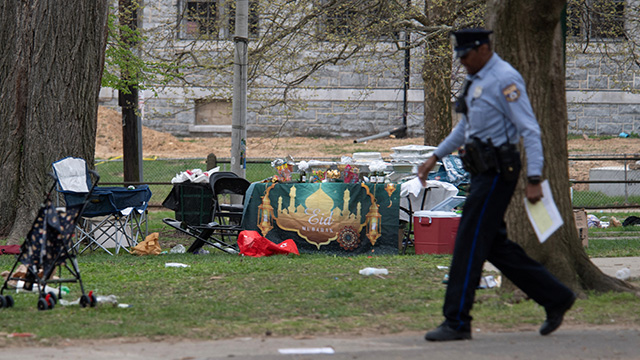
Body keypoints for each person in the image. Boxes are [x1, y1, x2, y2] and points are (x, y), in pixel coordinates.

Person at [417, 28, 576, 342]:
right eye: (459, 57)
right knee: (493, 245)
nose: (462, 63)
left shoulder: (506, 79)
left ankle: (457, 321)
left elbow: (529, 130)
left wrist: (534, 179)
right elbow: (466, 128)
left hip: (497, 171)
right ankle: (556, 297)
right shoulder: (477, 78)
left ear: (484, 49)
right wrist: (435, 156)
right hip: (480, 170)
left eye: (466, 56)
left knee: (468, 241)